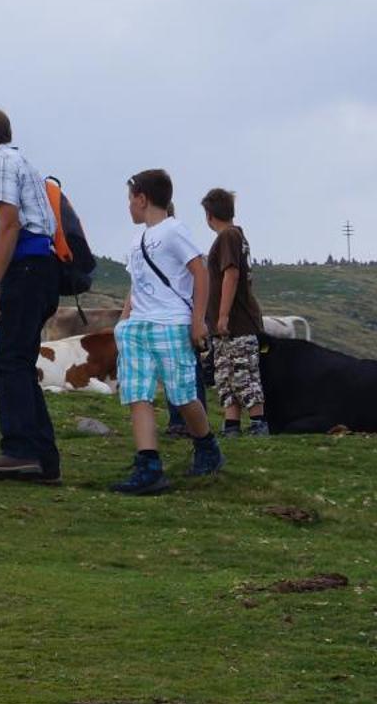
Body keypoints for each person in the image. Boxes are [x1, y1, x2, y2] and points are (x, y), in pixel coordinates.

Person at [0, 108, 61, 483]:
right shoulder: (18, 160)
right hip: (42, 269)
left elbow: (10, 225)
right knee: (18, 362)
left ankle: (19, 450)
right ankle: (43, 460)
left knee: (7, 363)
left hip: (27, 269)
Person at [111, 169, 223, 495]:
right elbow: (137, 285)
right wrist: (124, 321)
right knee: (137, 393)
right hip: (138, 326)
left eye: (131, 198)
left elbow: (199, 272)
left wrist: (197, 320)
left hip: (172, 322)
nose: (129, 206)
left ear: (142, 198)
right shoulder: (137, 240)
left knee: (183, 394)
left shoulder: (174, 231)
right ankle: (148, 464)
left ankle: (206, 446)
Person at [200, 187, 268, 437]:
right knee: (227, 376)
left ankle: (259, 424)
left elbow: (231, 273)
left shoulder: (227, 237)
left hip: (236, 323)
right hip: (229, 327)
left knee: (243, 374)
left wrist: (223, 315)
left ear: (209, 214)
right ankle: (232, 426)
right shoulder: (235, 236)